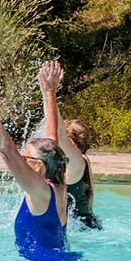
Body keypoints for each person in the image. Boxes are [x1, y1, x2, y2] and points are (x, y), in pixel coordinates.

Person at [0, 70, 80, 261]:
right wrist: (49, 91)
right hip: (56, 260)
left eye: (26, 158)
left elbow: (6, 150)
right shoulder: (57, 182)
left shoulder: (39, 190)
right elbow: (51, 138)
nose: (22, 161)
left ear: (41, 165)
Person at [37, 61, 101, 229]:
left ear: (73, 143)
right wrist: (45, 92)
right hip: (84, 228)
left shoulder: (77, 162)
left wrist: (49, 91)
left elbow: (57, 135)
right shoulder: (76, 163)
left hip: (83, 231)